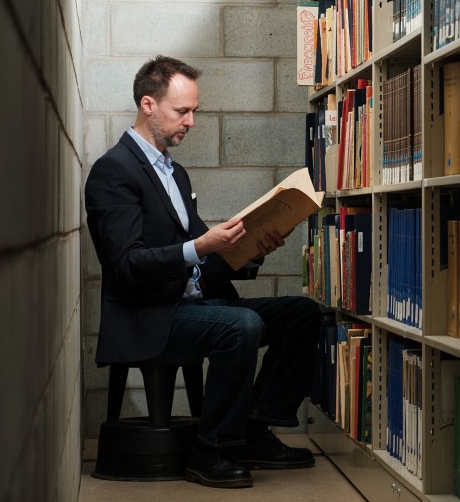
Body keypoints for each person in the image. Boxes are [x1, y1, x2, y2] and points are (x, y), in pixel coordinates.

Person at [85, 55, 323, 489]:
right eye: (183, 111)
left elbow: (207, 262)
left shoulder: (175, 173)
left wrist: (252, 249)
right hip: (150, 316)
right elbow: (127, 265)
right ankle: (210, 448)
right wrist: (200, 245)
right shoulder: (112, 172)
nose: (191, 121)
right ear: (148, 105)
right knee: (241, 324)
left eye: (194, 110)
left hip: (194, 305)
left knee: (303, 314)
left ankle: (253, 428)